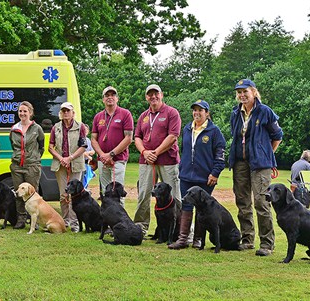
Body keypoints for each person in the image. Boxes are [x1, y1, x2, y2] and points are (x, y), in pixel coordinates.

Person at [229, 79, 283, 257]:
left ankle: (267, 243)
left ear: (253, 92)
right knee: (243, 201)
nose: (242, 95)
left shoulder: (265, 111)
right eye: (239, 92)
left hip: (260, 164)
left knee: (261, 202)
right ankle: (247, 239)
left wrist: (266, 153)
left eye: (245, 91)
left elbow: (277, 135)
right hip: (240, 162)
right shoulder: (235, 113)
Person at [168, 100, 225, 249]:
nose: (197, 113)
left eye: (201, 110)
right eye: (195, 110)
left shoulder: (214, 131)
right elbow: (183, 150)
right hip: (186, 176)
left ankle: (198, 240)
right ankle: (182, 239)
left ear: (207, 113)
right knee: (186, 206)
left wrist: (215, 173)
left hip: (206, 178)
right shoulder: (187, 129)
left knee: (203, 209)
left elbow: (220, 155)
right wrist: (182, 167)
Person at [133, 84, 182, 235]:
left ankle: (181, 230)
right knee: (143, 194)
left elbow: (173, 135)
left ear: (162, 95)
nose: (153, 97)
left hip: (168, 160)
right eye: (150, 94)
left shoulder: (171, 113)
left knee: (175, 196)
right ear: (146, 97)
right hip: (147, 161)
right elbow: (137, 137)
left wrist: (156, 151)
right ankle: (140, 228)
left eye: (156, 94)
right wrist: (144, 152)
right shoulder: (143, 116)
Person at [91, 86, 133, 205]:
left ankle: (120, 221)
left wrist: (111, 154)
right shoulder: (98, 116)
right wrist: (102, 155)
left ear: (117, 98)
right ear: (103, 99)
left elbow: (129, 138)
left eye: (112, 95)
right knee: (105, 192)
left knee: (117, 191)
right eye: (107, 95)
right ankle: (107, 220)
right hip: (102, 160)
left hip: (118, 159)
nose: (110, 97)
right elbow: (93, 139)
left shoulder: (125, 114)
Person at [48, 102, 86, 233]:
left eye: (68, 111)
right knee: (63, 194)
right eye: (63, 111)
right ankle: (65, 221)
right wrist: (61, 159)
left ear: (73, 112)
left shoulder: (80, 127)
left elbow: (83, 146)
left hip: (75, 164)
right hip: (60, 164)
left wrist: (70, 158)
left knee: (75, 195)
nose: (65, 113)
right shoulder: (55, 127)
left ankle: (75, 222)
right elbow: (50, 147)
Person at [9, 101, 45, 229]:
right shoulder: (14, 129)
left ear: (30, 112)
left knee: (32, 194)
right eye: (20, 111)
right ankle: (21, 219)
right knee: (19, 193)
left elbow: (41, 147)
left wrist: (33, 158)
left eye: (25, 111)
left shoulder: (37, 128)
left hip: (32, 166)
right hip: (17, 166)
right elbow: (14, 146)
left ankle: (34, 221)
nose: (22, 113)